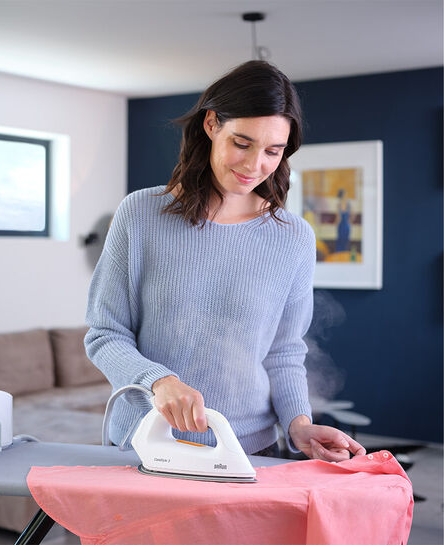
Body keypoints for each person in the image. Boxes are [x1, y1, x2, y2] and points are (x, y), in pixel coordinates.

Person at [84, 60, 365, 462]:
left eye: (273, 151)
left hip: (248, 448)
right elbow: (105, 333)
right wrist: (158, 381)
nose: (255, 166)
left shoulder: (292, 237)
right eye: (242, 143)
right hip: (145, 443)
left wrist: (298, 424)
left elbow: (283, 352)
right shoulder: (141, 215)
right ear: (212, 124)